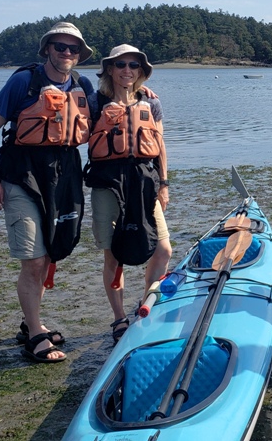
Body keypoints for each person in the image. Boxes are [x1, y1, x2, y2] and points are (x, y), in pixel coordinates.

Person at [0, 21, 95, 363]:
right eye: (60, 47)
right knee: (33, 259)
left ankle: (31, 322)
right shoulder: (23, 82)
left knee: (48, 254)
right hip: (21, 174)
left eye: (73, 49)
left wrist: (141, 93)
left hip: (63, 174)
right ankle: (35, 335)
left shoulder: (82, 84)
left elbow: (107, 113)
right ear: (47, 49)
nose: (67, 53)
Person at [85, 44, 172, 343]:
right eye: (120, 64)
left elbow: (160, 145)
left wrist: (164, 183)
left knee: (163, 249)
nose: (127, 70)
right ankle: (119, 319)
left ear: (141, 72)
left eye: (133, 66)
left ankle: (148, 302)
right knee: (113, 256)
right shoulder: (96, 102)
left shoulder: (151, 103)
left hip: (145, 182)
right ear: (109, 68)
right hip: (108, 184)